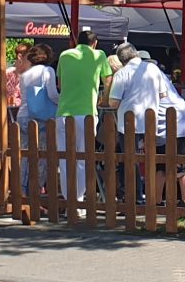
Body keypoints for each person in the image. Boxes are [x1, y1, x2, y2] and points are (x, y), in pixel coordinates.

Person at [108, 43, 185, 204]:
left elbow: (113, 103)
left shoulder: (122, 73)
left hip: (139, 123)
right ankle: (178, 202)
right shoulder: (153, 70)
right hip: (155, 121)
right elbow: (162, 94)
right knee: (172, 163)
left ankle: (147, 199)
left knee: (142, 162)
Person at [55, 28, 114, 197]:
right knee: (83, 157)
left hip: (63, 112)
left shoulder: (64, 55)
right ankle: (79, 199)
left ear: (77, 42)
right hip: (86, 112)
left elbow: (60, 84)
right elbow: (108, 80)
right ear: (94, 43)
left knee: (64, 158)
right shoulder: (99, 55)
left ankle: (68, 198)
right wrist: (104, 99)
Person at [18, 43, 59, 199]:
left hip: (23, 115)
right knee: (42, 155)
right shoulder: (47, 71)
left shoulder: (25, 74)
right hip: (41, 117)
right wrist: (62, 101)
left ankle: (21, 190)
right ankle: (35, 190)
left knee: (24, 154)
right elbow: (52, 94)